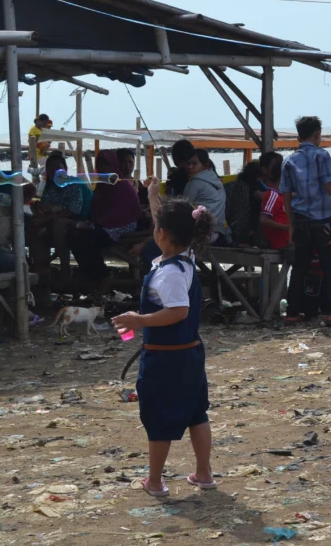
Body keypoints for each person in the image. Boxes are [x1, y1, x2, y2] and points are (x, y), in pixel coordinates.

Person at [113, 181, 215, 498]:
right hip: (190, 356)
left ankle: (155, 481)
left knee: (158, 417)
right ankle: (203, 472)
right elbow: (167, 223)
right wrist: (152, 197)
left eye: (157, 226)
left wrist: (137, 320)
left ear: (163, 237)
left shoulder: (169, 273)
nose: (154, 229)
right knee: (196, 413)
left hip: (165, 358)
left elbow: (178, 311)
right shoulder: (184, 257)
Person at [281, 116, 331, 326]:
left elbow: (286, 196)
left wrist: (290, 225)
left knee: (300, 267)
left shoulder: (288, 160)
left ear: (299, 135)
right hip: (322, 220)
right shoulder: (321, 155)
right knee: (329, 265)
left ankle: (292, 312)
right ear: (317, 134)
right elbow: (329, 187)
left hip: (300, 220)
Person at [68, 150, 143, 283]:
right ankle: (97, 277)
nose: (103, 168)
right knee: (75, 235)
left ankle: (102, 277)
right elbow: (97, 208)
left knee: (83, 240)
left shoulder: (120, 184)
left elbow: (121, 213)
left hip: (122, 226)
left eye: (106, 165)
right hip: (106, 224)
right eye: (100, 165)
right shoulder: (104, 184)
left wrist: (94, 224)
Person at [31, 152, 83, 279]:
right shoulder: (49, 188)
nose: (54, 172)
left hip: (74, 221)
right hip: (52, 218)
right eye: (51, 170)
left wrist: (47, 217)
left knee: (58, 226)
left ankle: (65, 266)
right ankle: (40, 266)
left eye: (58, 169)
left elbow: (73, 210)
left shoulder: (74, 184)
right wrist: (39, 207)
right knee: (32, 225)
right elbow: (44, 204)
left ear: (65, 169)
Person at [183, 149, 231, 245]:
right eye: (188, 163)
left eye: (194, 164)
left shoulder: (194, 183)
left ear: (205, 165)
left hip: (203, 234)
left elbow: (183, 209)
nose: (190, 167)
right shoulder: (217, 181)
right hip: (221, 232)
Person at [226, 160, 264, 246]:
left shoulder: (237, 184)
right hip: (246, 227)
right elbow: (255, 209)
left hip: (232, 224)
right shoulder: (254, 188)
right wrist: (252, 228)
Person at [258, 152, 288, 249]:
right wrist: (286, 227)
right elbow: (263, 220)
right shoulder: (273, 195)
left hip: (288, 240)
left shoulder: (281, 194)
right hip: (283, 243)